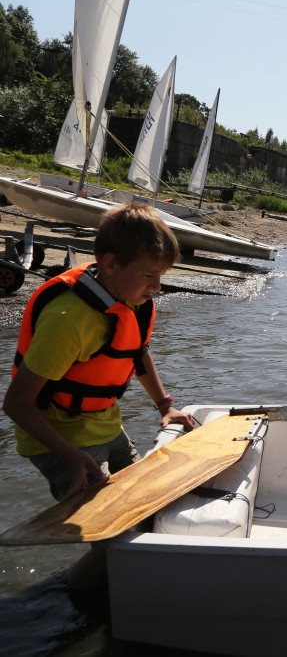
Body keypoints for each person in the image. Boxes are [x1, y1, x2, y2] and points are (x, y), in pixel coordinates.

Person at [3, 202, 196, 505]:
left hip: (104, 423)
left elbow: (136, 351)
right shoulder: (68, 320)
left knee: (144, 500)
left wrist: (165, 405)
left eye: (161, 275)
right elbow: (16, 403)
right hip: (60, 437)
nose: (157, 286)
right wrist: (68, 455)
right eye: (149, 275)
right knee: (107, 521)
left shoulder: (131, 298)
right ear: (110, 264)